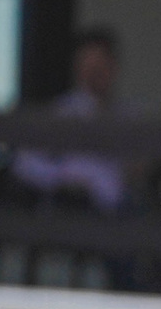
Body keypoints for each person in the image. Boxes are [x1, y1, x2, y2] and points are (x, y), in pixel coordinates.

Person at [11, 27, 128, 214]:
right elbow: (24, 164)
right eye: (88, 66)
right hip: (70, 212)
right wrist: (68, 178)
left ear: (113, 67)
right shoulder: (61, 113)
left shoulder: (129, 115)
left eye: (100, 66)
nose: (94, 74)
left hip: (120, 218)